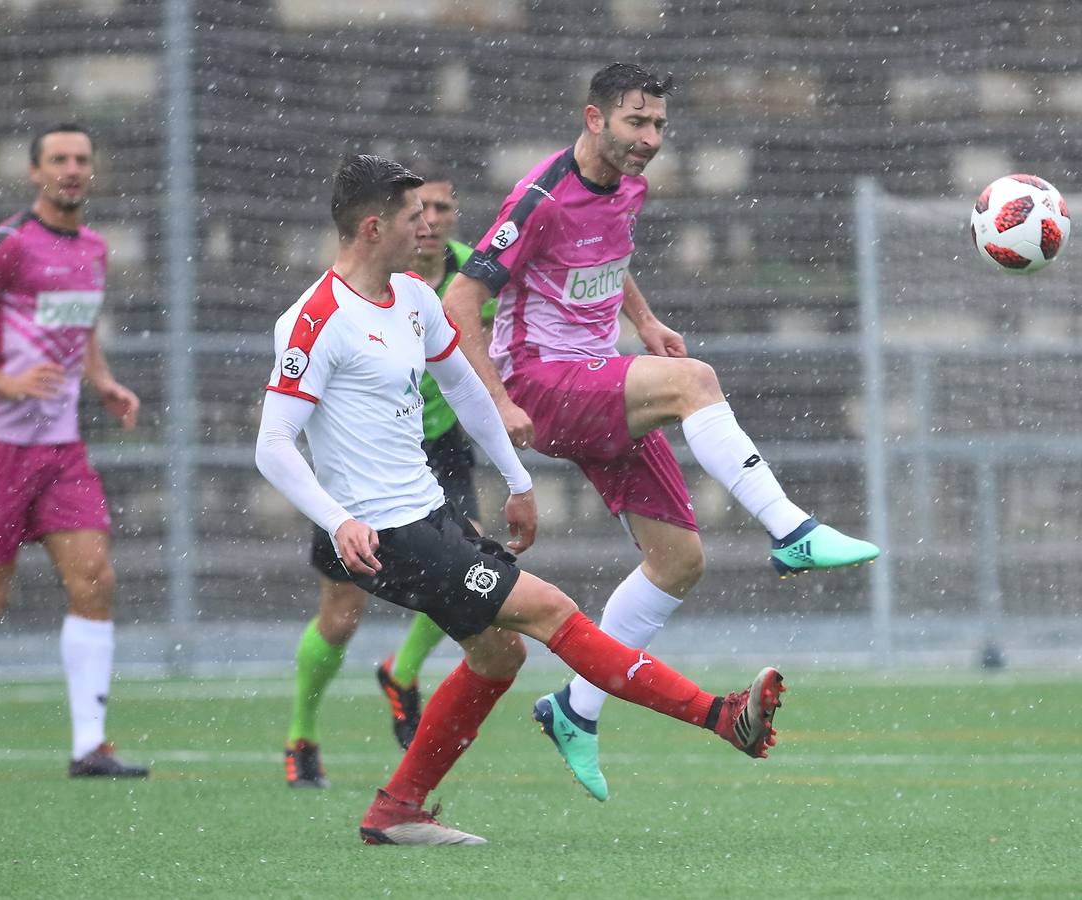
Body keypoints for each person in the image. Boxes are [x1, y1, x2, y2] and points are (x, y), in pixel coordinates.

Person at [256, 155, 785, 845]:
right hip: (387, 534)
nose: (432, 225)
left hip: (431, 515)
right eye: (415, 216)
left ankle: (398, 808)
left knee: (499, 655)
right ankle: (722, 717)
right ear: (371, 226)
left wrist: (518, 480)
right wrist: (338, 519)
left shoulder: (415, 298)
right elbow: (273, 445)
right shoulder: (315, 319)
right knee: (549, 610)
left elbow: (471, 390)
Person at [441, 62, 881, 802]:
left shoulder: (628, 184)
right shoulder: (540, 197)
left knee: (678, 562)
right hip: (541, 384)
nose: (649, 139)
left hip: (593, 373)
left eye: (659, 127)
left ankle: (575, 712)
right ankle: (791, 531)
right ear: (594, 119)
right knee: (694, 383)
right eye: (636, 123)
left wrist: (643, 321)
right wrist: (498, 404)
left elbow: (609, 255)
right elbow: (460, 301)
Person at [0, 123, 146, 778]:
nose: (72, 169)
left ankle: (90, 748)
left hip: (60, 449)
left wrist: (103, 381)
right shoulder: (7, 245)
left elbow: (75, 327)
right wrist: (6, 383)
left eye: (82, 158)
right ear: (35, 172)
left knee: (95, 580)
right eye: (59, 159)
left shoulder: (94, 248)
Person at [286, 162, 497, 787]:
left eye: (441, 210)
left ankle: (401, 671)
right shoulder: (367, 283)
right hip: (363, 459)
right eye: (418, 211)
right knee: (341, 612)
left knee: (469, 561)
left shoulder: (474, 274)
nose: (429, 223)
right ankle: (301, 733)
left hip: (440, 447)